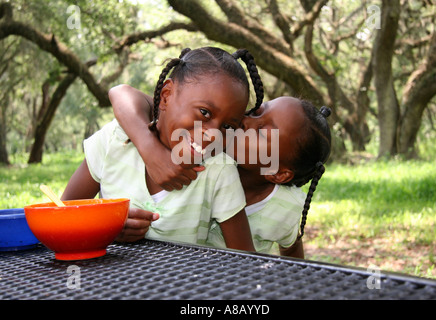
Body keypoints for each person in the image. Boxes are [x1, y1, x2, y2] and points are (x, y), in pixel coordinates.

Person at [61, 47, 266, 252]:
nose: (213, 135)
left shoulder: (219, 170)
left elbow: (244, 259)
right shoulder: (113, 141)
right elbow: (61, 218)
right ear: (166, 95)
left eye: (228, 127)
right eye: (204, 112)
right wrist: (104, 227)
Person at [110, 86, 331, 258]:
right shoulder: (202, 154)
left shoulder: (286, 207)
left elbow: (292, 249)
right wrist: (151, 150)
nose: (246, 122)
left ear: (278, 173)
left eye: (263, 133)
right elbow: (121, 93)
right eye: (258, 111)